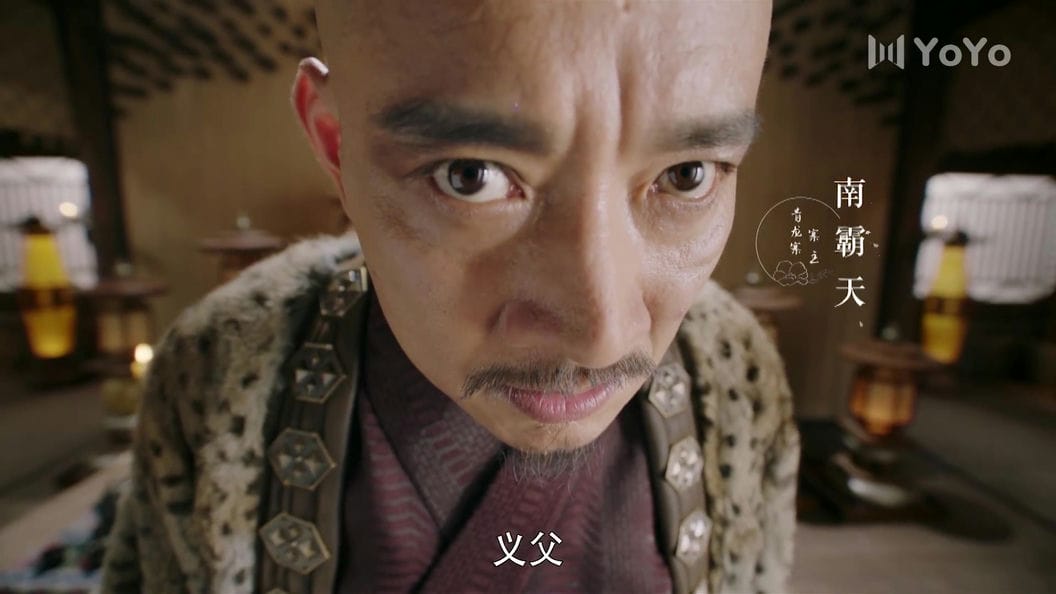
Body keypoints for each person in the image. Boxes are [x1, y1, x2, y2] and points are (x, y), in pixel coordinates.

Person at [101, 1, 798, 592]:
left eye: (687, 175)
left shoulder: (736, 379)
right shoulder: (216, 376)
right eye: (471, 176)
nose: (603, 337)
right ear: (336, 145)